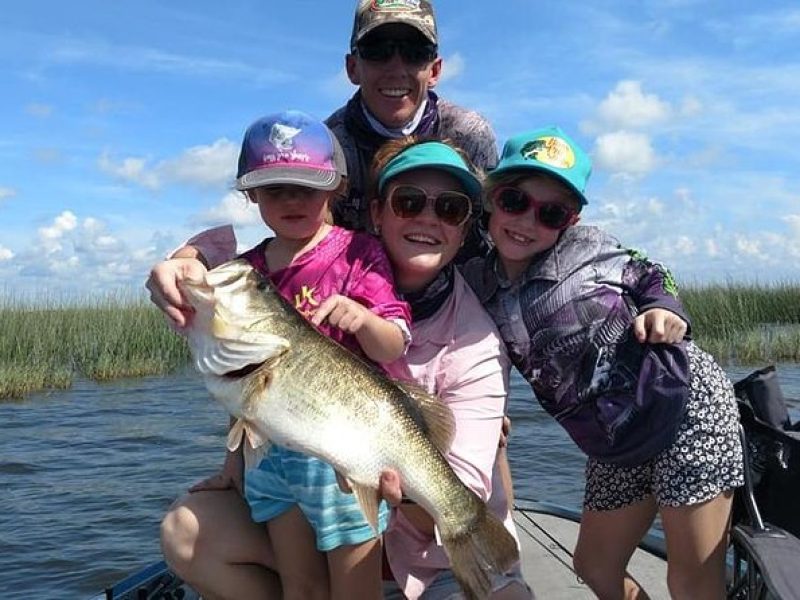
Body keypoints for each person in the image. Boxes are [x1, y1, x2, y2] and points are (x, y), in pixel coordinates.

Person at [149, 137, 531, 599]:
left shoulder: (478, 343)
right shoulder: (328, 263)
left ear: (467, 227)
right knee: (192, 534)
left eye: (450, 208)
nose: (428, 218)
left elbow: (461, 488)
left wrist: (404, 486)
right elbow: (236, 266)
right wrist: (182, 261)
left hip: (429, 561)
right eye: (409, 202)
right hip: (301, 496)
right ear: (376, 212)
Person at [459, 125, 745, 599]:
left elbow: (651, 273)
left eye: (550, 213)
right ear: (491, 198)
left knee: (691, 581)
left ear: (569, 221)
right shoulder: (474, 280)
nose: (527, 221)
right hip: (615, 444)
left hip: (685, 410)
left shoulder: (590, 246)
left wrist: (664, 309)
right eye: (514, 201)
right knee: (594, 566)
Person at [162, 108, 412, 599]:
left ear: (335, 188)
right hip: (269, 459)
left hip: (341, 458)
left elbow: (397, 340)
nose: (292, 199)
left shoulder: (359, 253)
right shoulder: (246, 270)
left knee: (354, 587)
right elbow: (240, 379)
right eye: (275, 189)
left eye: (307, 187)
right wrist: (232, 465)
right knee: (302, 587)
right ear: (251, 194)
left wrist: (365, 321)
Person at [327, 0, 498, 261]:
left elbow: (488, 239)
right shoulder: (327, 146)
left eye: (415, 52)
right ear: (352, 68)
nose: (396, 69)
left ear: (435, 70)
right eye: (377, 50)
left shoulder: (470, 134)